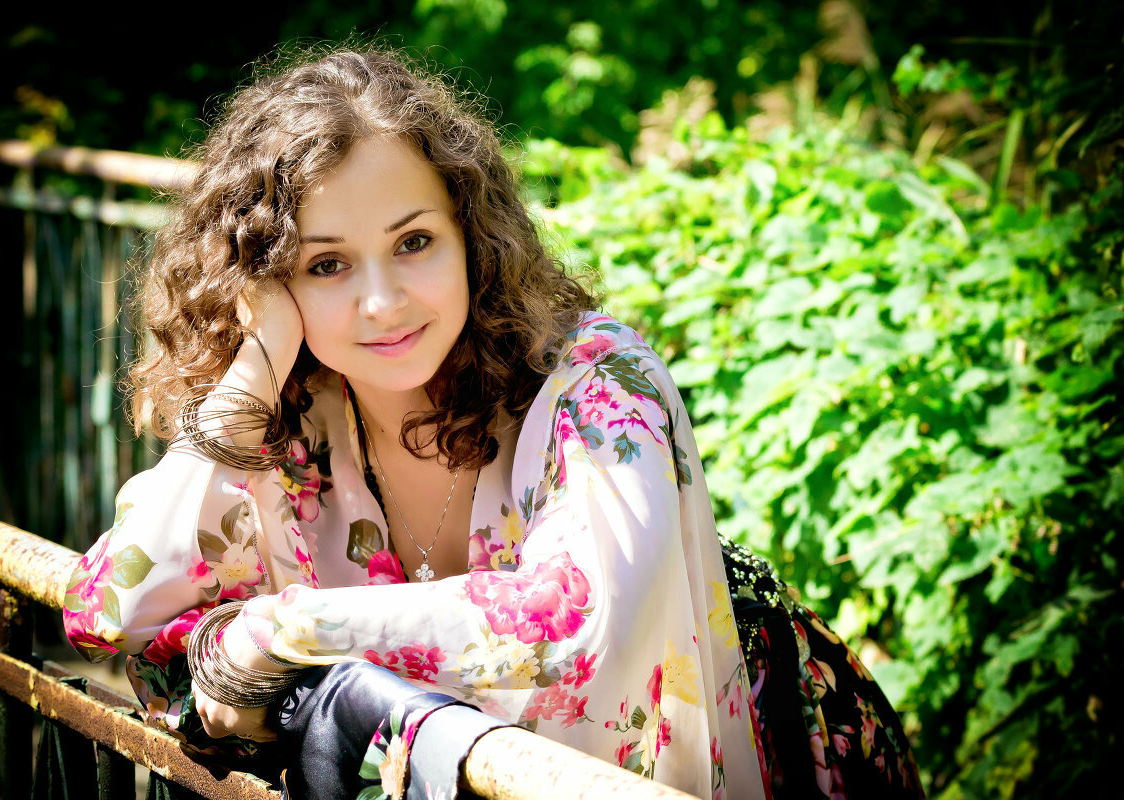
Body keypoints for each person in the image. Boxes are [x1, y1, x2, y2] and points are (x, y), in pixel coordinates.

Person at [63, 46, 922, 800]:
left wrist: (284, 630)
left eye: (413, 243)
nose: (381, 301)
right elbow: (109, 608)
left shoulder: (599, 380)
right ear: (269, 282)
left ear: (469, 234)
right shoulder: (295, 417)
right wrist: (256, 362)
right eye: (326, 264)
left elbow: (578, 630)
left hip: (772, 752)